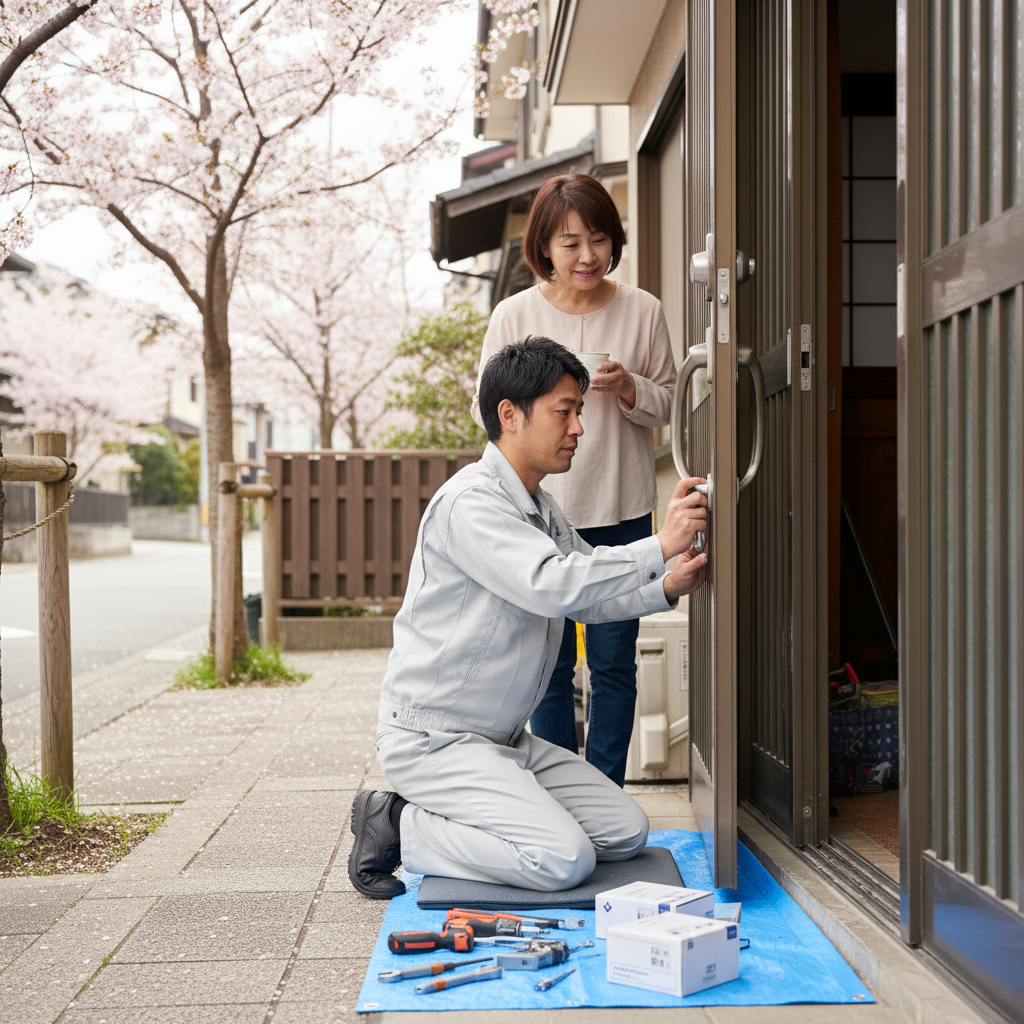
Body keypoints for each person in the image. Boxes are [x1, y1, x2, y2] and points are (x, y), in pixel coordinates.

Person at [348, 337, 707, 899]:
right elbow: (552, 584)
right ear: (509, 416)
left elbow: (582, 596)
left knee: (625, 831)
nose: (578, 429)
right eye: (564, 412)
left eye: (579, 412)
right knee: (562, 859)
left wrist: (666, 584)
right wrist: (660, 542)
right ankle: (396, 822)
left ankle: (482, 810)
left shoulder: (539, 505)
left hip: (506, 740)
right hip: (435, 740)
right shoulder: (471, 503)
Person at [471, 173, 677, 787]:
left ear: (614, 240)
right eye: (569, 242)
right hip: (538, 511)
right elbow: (485, 406)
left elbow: (672, 402)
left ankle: (606, 792)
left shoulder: (642, 310)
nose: (587, 255)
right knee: (548, 664)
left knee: (614, 663)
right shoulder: (515, 314)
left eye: (598, 238)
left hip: (621, 504)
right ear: (544, 248)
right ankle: (561, 793)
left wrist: (631, 388)